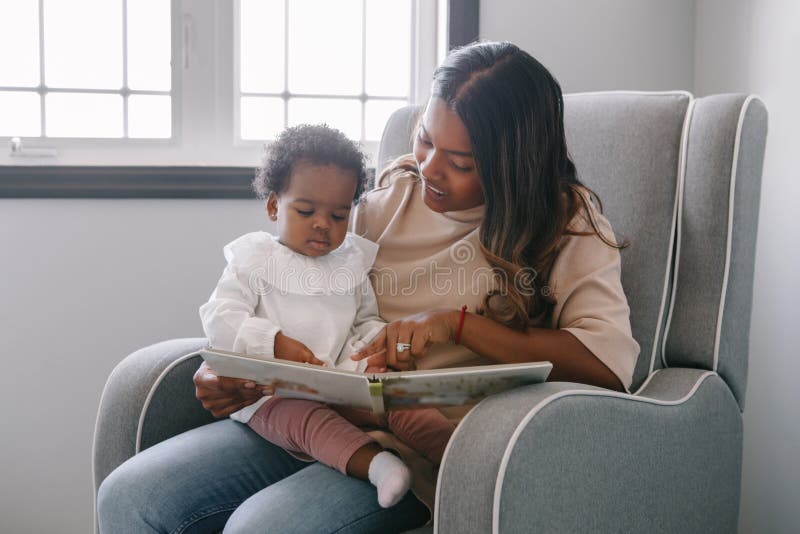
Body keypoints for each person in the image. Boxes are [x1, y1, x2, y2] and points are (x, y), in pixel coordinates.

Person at [97, 41, 640, 534]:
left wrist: (458, 326)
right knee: (129, 498)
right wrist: (235, 367)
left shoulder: (565, 222)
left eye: (460, 162)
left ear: (513, 164)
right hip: (313, 416)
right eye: (425, 140)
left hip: (426, 449)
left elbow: (606, 366)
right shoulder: (387, 198)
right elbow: (293, 292)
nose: (429, 168)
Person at [198, 124, 454, 509]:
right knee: (306, 420)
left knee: (400, 398)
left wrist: (375, 348)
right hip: (274, 394)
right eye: (306, 211)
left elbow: (364, 320)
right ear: (273, 207)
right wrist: (273, 343)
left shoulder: (349, 261)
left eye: (338, 214)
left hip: (341, 378)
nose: (323, 223)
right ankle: (377, 465)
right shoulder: (254, 259)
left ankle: (460, 457)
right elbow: (221, 316)